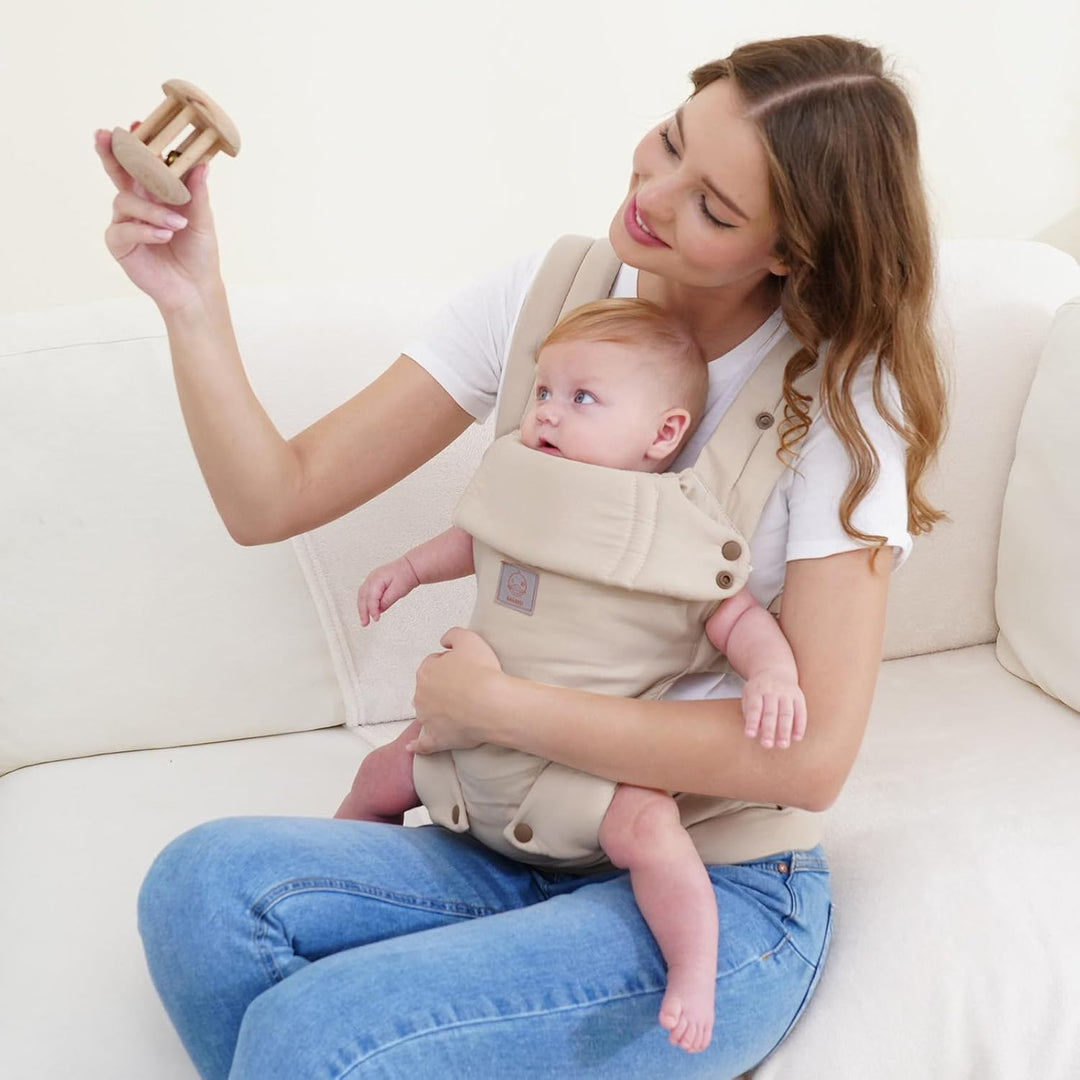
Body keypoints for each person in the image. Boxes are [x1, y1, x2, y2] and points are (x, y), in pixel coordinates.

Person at [95, 32, 946, 1079]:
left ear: (788, 251)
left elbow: (810, 762)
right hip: (509, 831)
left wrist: (494, 708)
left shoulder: (842, 400)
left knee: (313, 1040)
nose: (655, 194)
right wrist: (190, 298)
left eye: (714, 208)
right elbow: (274, 497)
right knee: (201, 891)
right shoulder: (547, 299)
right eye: (672, 142)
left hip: (708, 883)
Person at [334, 296, 809, 1054]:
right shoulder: (521, 485)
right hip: (468, 743)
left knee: (653, 831)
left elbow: (737, 617)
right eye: (544, 392)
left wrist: (772, 674)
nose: (548, 413)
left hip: (585, 771)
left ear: (664, 434)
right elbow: (473, 539)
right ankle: (353, 887)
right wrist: (408, 570)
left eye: (582, 398)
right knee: (379, 774)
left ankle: (692, 969)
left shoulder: (680, 524)